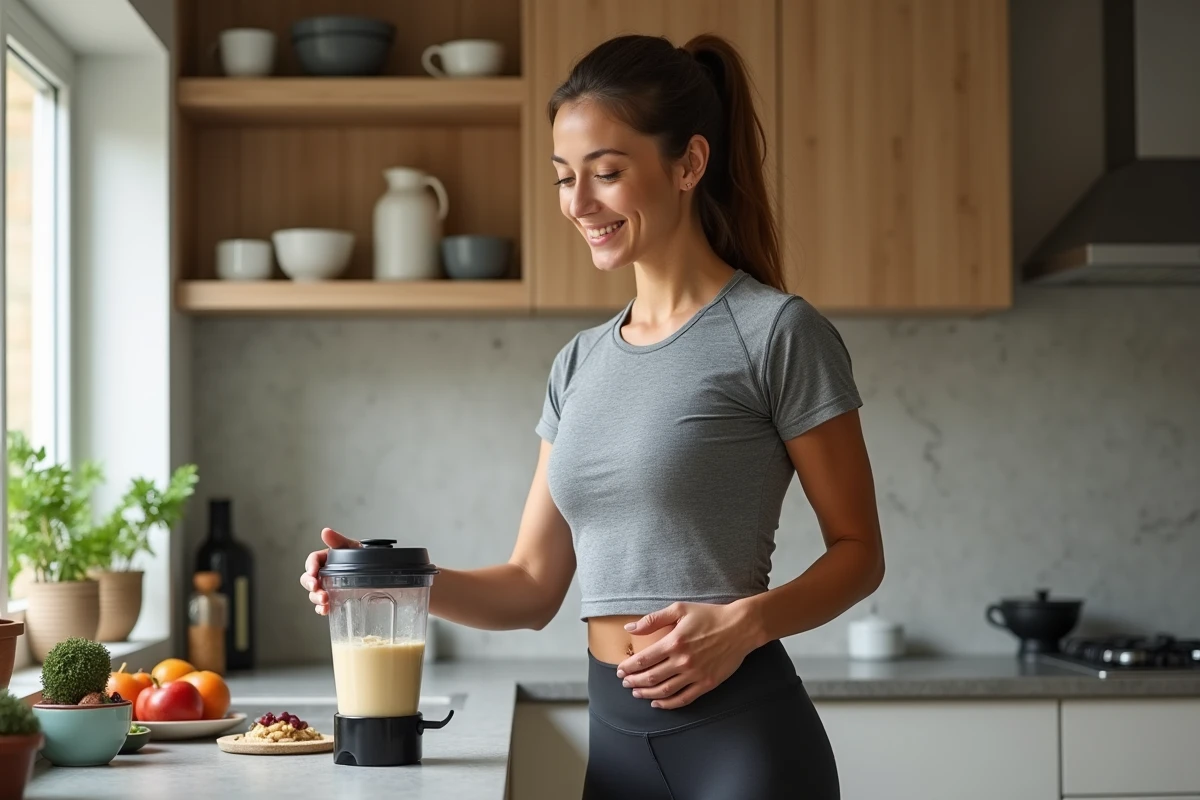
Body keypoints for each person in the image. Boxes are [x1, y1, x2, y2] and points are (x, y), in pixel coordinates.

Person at [301, 32, 884, 800]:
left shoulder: (776, 332)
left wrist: (744, 623)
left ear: (688, 164)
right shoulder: (579, 363)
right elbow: (533, 586)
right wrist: (392, 585)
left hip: (744, 746)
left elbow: (859, 552)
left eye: (606, 173)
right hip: (616, 752)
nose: (578, 204)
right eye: (564, 178)